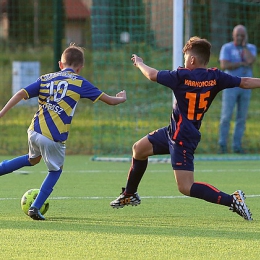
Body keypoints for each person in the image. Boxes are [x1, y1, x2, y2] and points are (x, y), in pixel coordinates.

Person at [110, 36, 260, 221]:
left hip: (182, 137)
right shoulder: (215, 76)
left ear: (192, 60)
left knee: (185, 187)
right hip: (173, 132)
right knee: (139, 149)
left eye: (185, 57)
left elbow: (151, 74)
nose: (184, 61)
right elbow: (244, 82)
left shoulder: (181, 76)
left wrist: (140, 62)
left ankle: (233, 200)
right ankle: (129, 194)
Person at [0, 43, 126, 220]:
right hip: (53, 136)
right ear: (80, 68)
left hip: (34, 130)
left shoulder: (45, 78)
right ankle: (35, 207)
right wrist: (121, 98)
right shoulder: (80, 82)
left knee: (32, 159)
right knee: (56, 170)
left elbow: (21, 93)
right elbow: (110, 101)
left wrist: (2, 112)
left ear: (60, 64)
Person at [218, 25, 257, 154]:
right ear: (233, 35)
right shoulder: (227, 47)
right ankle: (222, 145)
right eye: (237, 35)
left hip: (247, 87)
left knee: (241, 117)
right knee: (226, 116)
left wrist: (244, 47)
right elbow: (224, 64)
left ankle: (237, 146)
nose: (239, 37)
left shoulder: (250, 48)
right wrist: (240, 63)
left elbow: (251, 60)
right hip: (230, 86)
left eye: (242, 35)